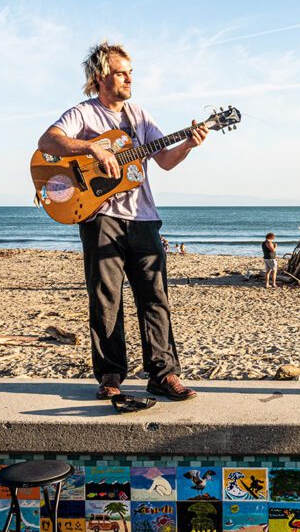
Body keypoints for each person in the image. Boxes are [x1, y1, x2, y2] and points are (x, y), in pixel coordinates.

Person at [37, 41, 207, 402]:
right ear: (101, 77)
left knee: (155, 298)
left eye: (131, 71)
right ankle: (111, 375)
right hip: (101, 218)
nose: (130, 78)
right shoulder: (84, 114)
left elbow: (164, 161)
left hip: (144, 218)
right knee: (105, 299)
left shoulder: (140, 116)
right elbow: (47, 140)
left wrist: (190, 144)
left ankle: (163, 375)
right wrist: (92, 148)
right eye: (121, 72)